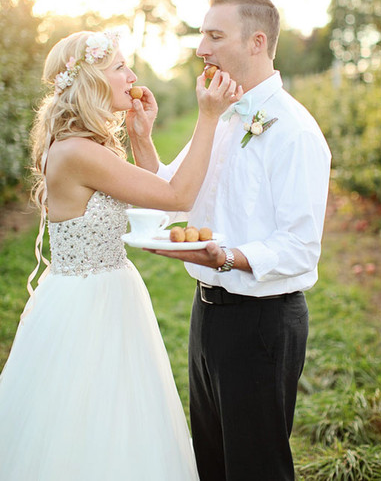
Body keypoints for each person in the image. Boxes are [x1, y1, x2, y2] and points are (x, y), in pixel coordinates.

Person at [0, 29, 242, 481]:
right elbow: (178, 196)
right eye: (119, 68)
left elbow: (158, 206)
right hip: (87, 306)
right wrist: (208, 117)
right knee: (87, 424)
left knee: (123, 418)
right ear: (91, 81)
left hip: (109, 294)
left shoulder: (87, 146)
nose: (132, 77)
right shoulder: (78, 152)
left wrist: (141, 137)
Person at [131, 0, 332, 481]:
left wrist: (226, 257)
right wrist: (141, 136)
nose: (202, 48)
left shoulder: (295, 132)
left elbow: (301, 247)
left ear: (256, 42)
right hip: (207, 314)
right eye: (203, 35)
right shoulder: (221, 118)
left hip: (262, 323)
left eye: (215, 36)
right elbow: (170, 193)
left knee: (256, 467)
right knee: (213, 461)